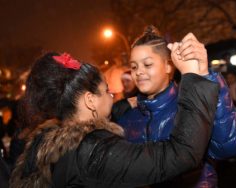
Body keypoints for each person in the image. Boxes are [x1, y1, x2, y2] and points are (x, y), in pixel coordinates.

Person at [9, 38, 219, 188]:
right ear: (90, 100)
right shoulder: (96, 152)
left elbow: (104, 114)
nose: (112, 96)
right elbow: (180, 155)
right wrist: (195, 76)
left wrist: (130, 102)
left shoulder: (46, 140)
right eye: (107, 91)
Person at [115, 26, 236, 187]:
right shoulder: (128, 116)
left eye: (148, 64)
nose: (139, 72)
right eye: (134, 66)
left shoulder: (190, 104)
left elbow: (231, 148)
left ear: (168, 66)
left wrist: (206, 80)